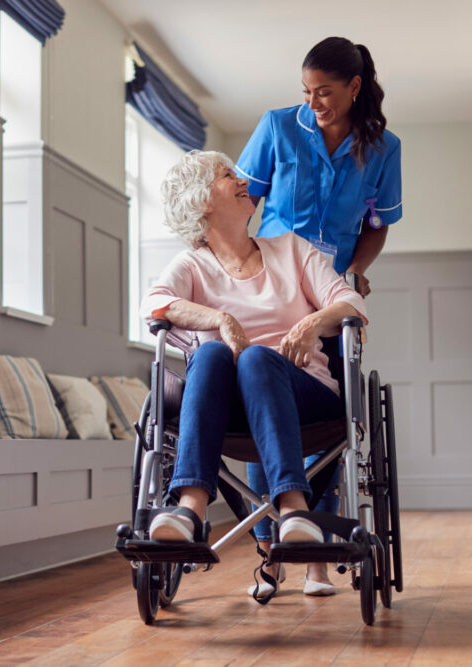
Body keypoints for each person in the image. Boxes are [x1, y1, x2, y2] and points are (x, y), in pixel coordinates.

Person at [140, 150, 369, 601]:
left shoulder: (292, 249)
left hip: (305, 394)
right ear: (203, 202)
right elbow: (153, 305)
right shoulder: (191, 265)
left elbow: (352, 304)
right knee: (209, 358)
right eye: (229, 176)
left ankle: (293, 508)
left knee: (256, 359)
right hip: (229, 411)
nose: (244, 180)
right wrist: (219, 320)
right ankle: (190, 508)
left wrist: (310, 324)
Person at [234, 36, 402, 596]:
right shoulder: (278, 128)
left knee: (329, 423)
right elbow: (242, 202)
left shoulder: (382, 149)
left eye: (325, 92)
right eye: (307, 93)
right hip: (275, 292)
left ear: (354, 87)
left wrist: (354, 269)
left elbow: (378, 223)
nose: (314, 104)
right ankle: (268, 554)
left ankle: (316, 561)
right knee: (267, 412)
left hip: (329, 300)